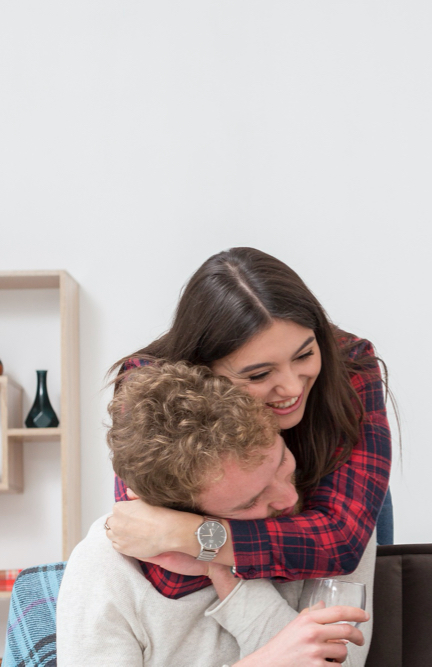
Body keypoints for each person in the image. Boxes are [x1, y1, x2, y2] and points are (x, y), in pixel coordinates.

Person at [102, 247, 392, 599]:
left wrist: (189, 535)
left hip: (336, 500)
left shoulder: (348, 362)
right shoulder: (151, 389)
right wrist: (289, 544)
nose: (291, 386)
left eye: (304, 354)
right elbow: (160, 563)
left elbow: (341, 544)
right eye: (259, 373)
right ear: (203, 371)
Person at [58, 361, 374, 666]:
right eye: (251, 501)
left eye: (281, 463)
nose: (289, 497)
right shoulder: (106, 565)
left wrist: (220, 568)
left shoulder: (328, 526)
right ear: (174, 511)